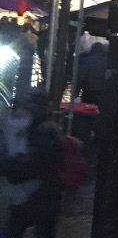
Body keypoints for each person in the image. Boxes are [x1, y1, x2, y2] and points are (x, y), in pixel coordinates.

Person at [0, 87, 63, 238]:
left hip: (34, 201)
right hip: (42, 201)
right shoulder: (42, 130)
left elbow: (25, 169)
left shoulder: (41, 133)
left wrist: (7, 165)